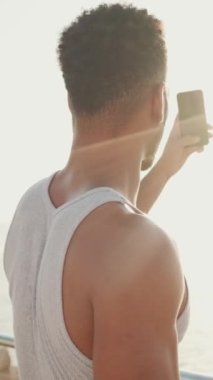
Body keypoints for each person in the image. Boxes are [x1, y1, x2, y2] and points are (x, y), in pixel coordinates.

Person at [3, 4, 208, 380]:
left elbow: (88, 247)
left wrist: (164, 169)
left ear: (71, 99)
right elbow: (110, 250)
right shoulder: (142, 253)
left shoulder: (32, 208)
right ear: (158, 102)